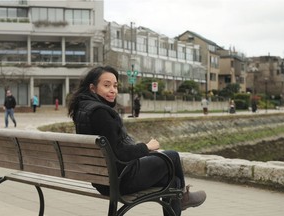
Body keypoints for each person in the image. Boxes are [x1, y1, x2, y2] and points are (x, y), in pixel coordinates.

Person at [68, 66, 206, 215]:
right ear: (93, 88)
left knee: (172, 181)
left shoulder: (82, 109)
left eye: (115, 86)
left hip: (101, 180)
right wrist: (146, 147)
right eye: (106, 85)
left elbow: (111, 150)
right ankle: (183, 197)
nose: (113, 90)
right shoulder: (101, 113)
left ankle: (180, 195)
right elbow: (119, 153)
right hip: (120, 180)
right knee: (172, 156)